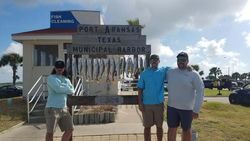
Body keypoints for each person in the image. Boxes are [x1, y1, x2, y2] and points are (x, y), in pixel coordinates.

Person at [166, 52, 204, 141]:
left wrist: (196, 110)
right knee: (171, 129)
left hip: (187, 109)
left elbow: (200, 91)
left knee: (186, 130)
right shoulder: (170, 72)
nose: (181, 62)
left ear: (187, 61)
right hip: (172, 107)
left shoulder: (194, 74)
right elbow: (160, 71)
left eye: (183, 60)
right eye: (179, 60)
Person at [137, 54, 170, 141]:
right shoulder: (144, 73)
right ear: (150, 61)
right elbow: (140, 89)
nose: (154, 61)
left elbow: (176, 70)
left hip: (159, 104)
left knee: (159, 127)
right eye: (152, 60)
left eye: (156, 59)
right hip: (146, 104)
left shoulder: (163, 70)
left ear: (159, 61)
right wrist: (140, 103)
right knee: (147, 127)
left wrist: (189, 67)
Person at [44, 60, 75, 141]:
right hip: (52, 108)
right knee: (50, 132)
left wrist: (62, 87)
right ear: (55, 68)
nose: (59, 70)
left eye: (61, 68)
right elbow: (58, 89)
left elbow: (72, 91)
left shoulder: (66, 79)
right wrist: (66, 87)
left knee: (70, 129)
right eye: (58, 68)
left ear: (64, 68)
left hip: (64, 108)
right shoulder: (51, 77)